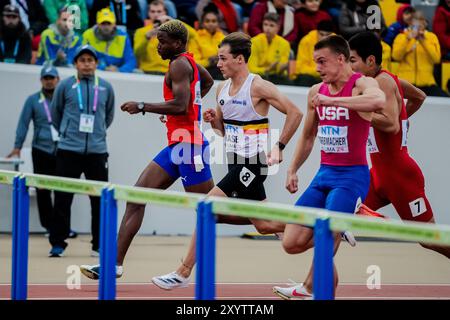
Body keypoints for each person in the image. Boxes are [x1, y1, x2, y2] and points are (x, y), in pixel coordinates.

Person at [151, 31, 303, 290]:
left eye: (223, 59)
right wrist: (215, 120)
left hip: (253, 164)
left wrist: (279, 147)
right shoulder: (222, 89)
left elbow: (296, 112)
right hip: (235, 162)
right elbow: (223, 131)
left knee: (206, 206)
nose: (218, 64)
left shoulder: (258, 86)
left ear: (240, 59)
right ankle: (324, 224)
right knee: (265, 225)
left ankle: (183, 271)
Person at [79, 19, 216, 279]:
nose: (157, 46)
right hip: (178, 145)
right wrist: (189, 111)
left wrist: (142, 105)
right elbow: (205, 83)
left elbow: (179, 104)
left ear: (177, 43)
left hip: (190, 147)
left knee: (214, 209)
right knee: (136, 197)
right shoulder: (188, 62)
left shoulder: (178, 64)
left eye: (162, 42)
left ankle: (273, 223)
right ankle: (114, 264)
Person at [272, 35, 386, 299]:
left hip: (352, 177)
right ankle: (340, 226)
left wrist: (336, 102)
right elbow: (309, 136)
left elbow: (378, 101)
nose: (317, 68)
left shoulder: (362, 84)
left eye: (322, 62)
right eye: (315, 63)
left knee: (325, 238)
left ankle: (318, 281)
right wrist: (292, 169)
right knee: (291, 242)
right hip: (324, 175)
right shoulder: (316, 91)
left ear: (341, 59)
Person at [348, 31, 450, 259]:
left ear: (370, 61)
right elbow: (419, 97)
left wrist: (362, 115)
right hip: (379, 176)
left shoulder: (382, 81)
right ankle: (311, 285)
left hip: (399, 176)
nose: (349, 66)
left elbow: (390, 125)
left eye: (353, 60)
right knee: (339, 214)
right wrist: (402, 119)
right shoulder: (384, 80)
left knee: (429, 239)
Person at [48, 44, 115, 257]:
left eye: (90, 60)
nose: (86, 64)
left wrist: (97, 133)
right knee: (62, 198)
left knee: (99, 199)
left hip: (97, 151)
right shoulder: (65, 86)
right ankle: (58, 243)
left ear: (96, 63)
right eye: (82, 60)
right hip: (69, 150)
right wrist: (68, 134)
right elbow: (56, 114)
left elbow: (109, 116)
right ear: (75, 63)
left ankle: (99, 244)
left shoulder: (105, 87)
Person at [6, 64, 60, 234]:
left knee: (62, 190)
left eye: (52, 78)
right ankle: (50, 227)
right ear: (41, 80)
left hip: (63, 150)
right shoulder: (32, 100)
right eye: (46, 78)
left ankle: (61, 227)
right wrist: (17, 146)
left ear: (57, 80)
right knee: (42, 189)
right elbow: (24, 123)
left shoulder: (64, 98)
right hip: (41, 150)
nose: (49, 81)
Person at [392, 11, 448, 97]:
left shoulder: (431, 37)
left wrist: (423, 41)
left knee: (445, 99)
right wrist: (407, 39)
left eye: (421, 25)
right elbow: (396, 56)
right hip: (406, 83)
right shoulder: (402, 37)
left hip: (427, 83)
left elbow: (436, 59)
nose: (418, 28)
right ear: (410, 23)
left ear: (425, 24)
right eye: (415, 25)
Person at [82, 7, 137, 73]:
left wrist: (119, 70)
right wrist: (103, 68)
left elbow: (131, 61)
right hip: (94, 72)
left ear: (114, 24)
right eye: (103, 23)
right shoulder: (87, 35)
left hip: (117, 74)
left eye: (109, 23)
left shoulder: (123, 37)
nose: (106, 27)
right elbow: (82, 59)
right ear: (97, 24)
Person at [248, 12, 291, 83]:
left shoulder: (285, 44)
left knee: (286, 81)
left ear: (278, 28)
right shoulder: (254, 42)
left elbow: (282, 69)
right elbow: (251, 68)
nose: (267, 28)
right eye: (265, 24)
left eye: (271, 25)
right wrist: (267, 69)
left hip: (276, 76)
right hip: (258, 76)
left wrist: (282, 67)